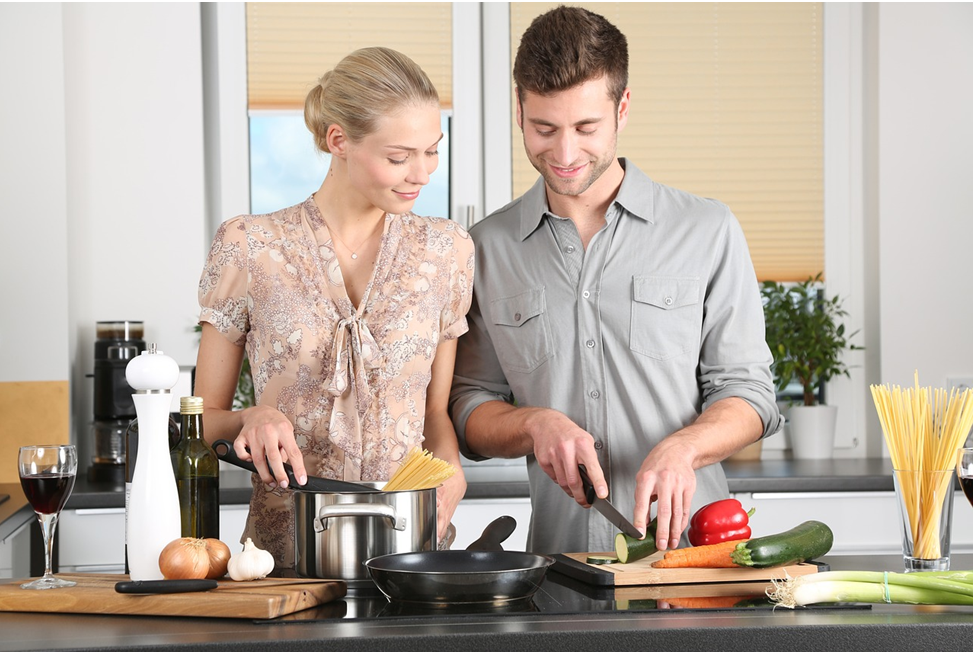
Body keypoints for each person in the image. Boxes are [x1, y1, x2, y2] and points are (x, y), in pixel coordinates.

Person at [449, 6, 782, 556]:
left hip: (696, 565)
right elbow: (469, 405)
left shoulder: (706, 229)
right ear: (519, 112)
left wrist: (686, 447)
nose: (564, 154)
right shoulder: (485, 248)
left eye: (585, 128)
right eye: (544, 128)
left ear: (622, 108)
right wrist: (534, 423)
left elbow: (749, 393)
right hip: (559, 573)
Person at [194, 46, 474, 569]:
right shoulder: (250, 246)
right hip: (282, 560)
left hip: (409, 554)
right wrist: (251, 417)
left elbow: (435, 413)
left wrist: (451, 468)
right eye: (398, 157)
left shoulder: (448, 250)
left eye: (432, 151)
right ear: (338, 140)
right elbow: (198, 424)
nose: (422, 173)